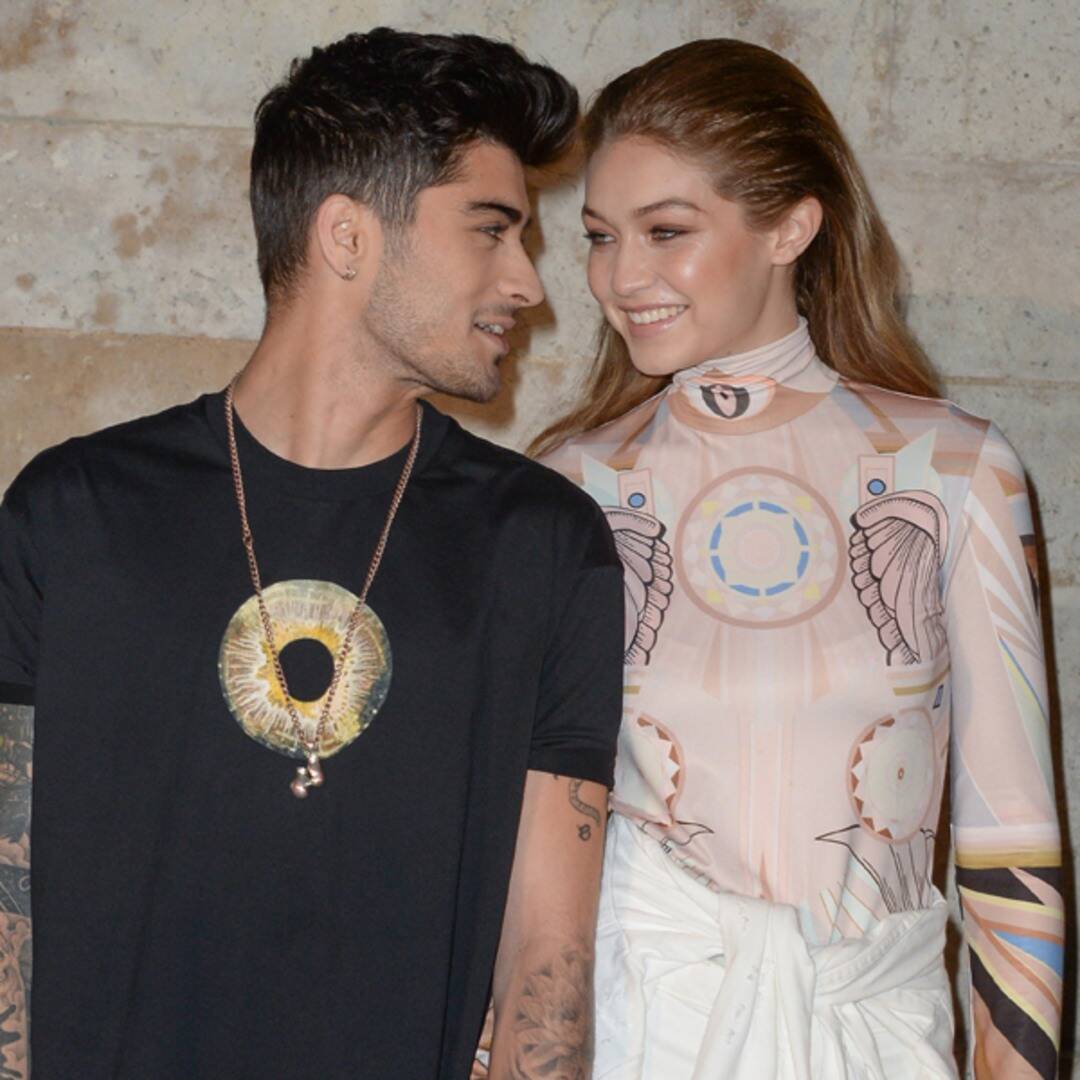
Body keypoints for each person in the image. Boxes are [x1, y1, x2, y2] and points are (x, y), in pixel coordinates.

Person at [0, 28, 623, 1079]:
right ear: (346, 236)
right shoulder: (73, 514)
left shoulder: (543, 547)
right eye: (492, 229)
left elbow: (546, 968)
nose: (529, 283)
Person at [535, 38, 1064, 1080]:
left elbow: (1014, 850)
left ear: (791, 226)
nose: (620, 277)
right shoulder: (565, 491)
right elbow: (524, 845)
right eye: (600, 236)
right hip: (636, 1037)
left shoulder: (957, 474)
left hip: (874, 1039)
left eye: (666, 231)